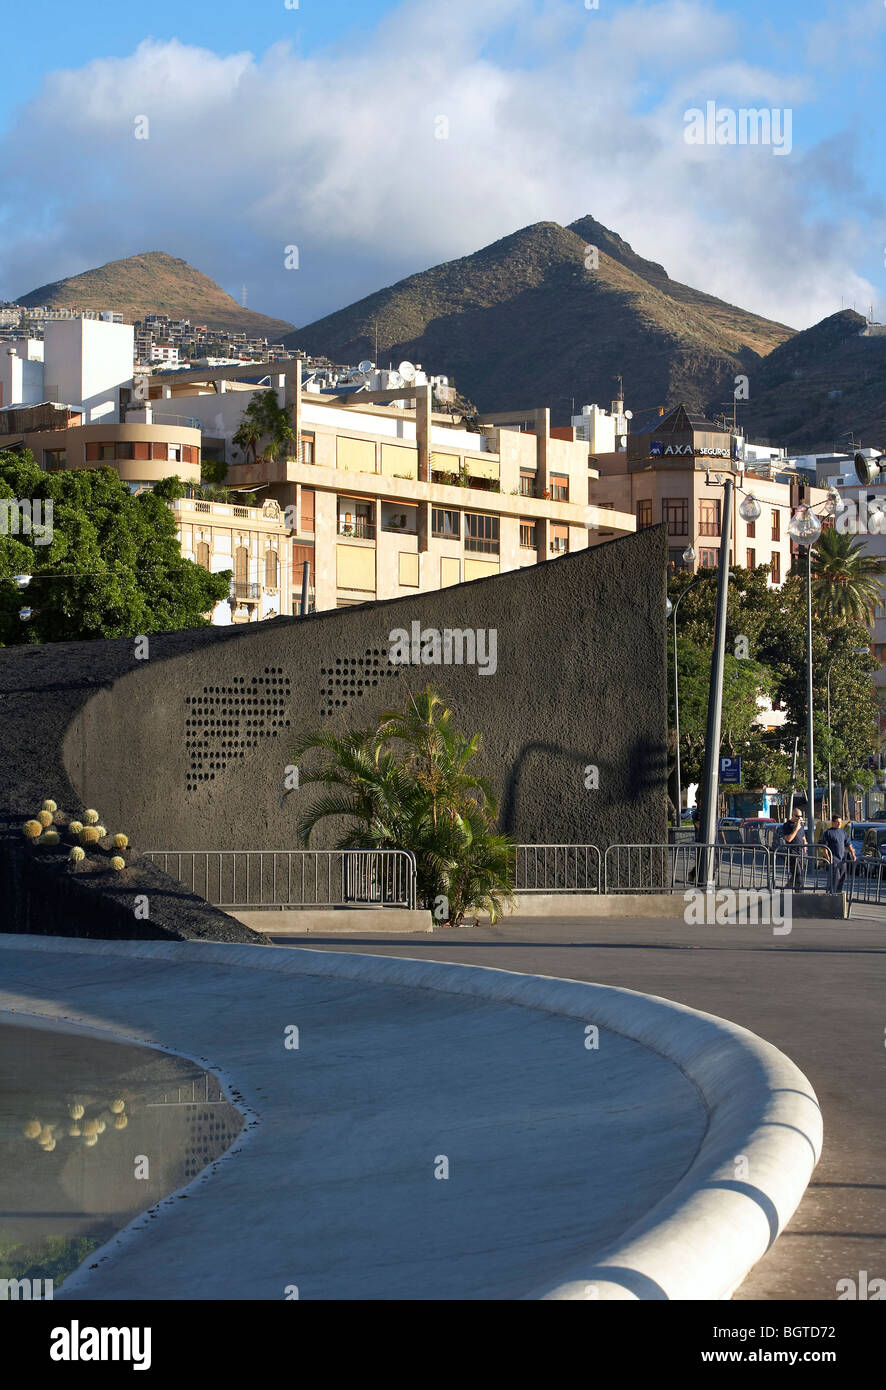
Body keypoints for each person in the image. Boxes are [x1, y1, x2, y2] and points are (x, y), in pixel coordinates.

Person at [819, 815, 856, 895]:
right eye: (837, 822)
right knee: (835, 878)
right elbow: (824, 847)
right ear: (833, 822)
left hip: (842, 860)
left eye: (840, 822)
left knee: (843, 877)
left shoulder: (842, 832)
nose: (839, 824)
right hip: (834, 860)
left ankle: (838, 893)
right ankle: (832, 893)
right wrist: (828, 858)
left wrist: (853, 854)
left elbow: (848, 844)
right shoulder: (828, 832)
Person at [780, 808, 808, 889]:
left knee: (797, 874)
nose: (799, 818)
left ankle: (788, 886)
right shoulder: (787, 825)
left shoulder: (801, 826)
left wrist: (805, 851)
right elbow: (788, 839)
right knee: (798, 874)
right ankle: (799, 892)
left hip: (801, 853)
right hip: (792, 853)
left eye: (801, 816)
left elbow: (803, 838)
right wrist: (796, 828)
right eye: (797, 816)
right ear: (792, 815)